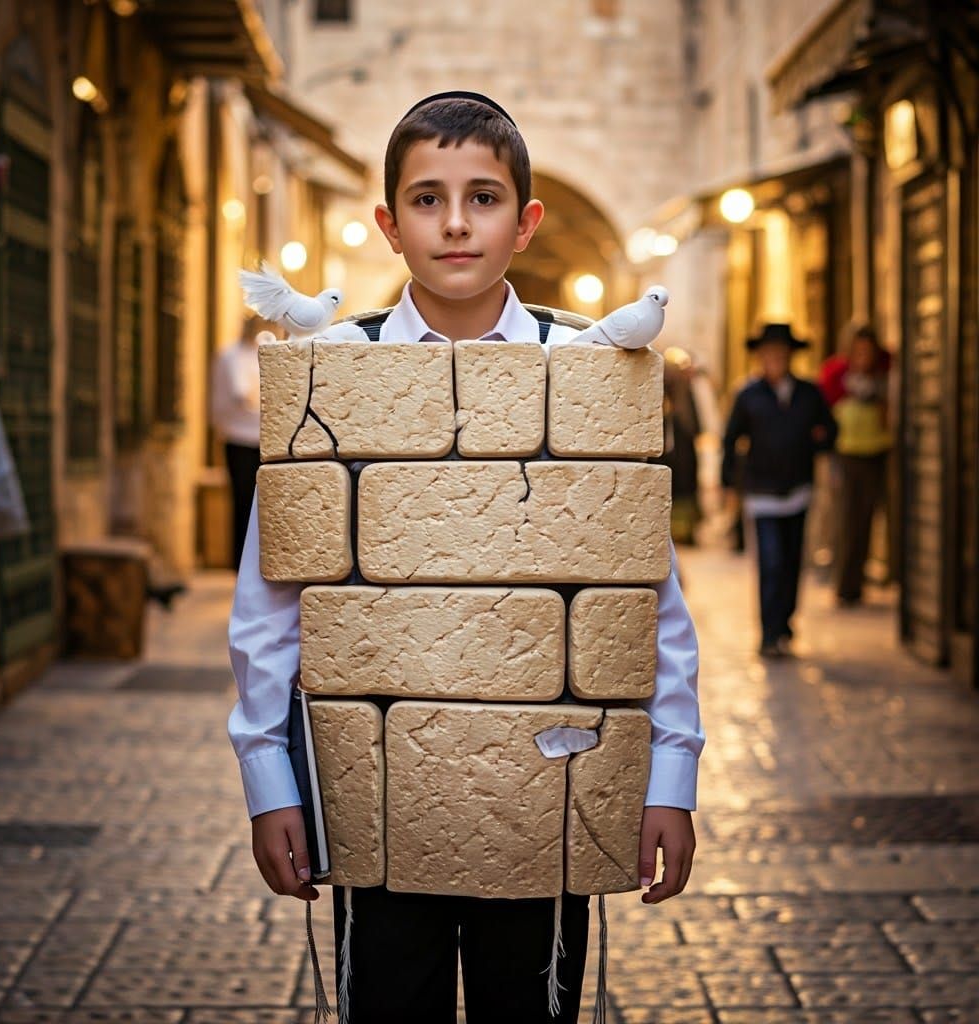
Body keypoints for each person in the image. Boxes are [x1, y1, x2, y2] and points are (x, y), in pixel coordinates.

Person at [226, 92, 704, 1024]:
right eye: (427, 199)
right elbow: (271, 595)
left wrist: (670, 778)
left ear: (526, 221)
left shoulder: (591, 366)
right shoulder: (335, 369)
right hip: (379, 791)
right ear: (389, 225)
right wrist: (268, 779)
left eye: (483, 197)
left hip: (551, 782)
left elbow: (647, 594)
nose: (454, 222)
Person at [722, 323, 837, 658]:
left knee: (791, 563)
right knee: (770, 562)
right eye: (768, 353)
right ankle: (768, 633)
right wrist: (729, 484)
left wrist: (818, 443)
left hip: (798, 490)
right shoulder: (748, 395)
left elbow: (830, 430)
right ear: (760, 357)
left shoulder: (808, 393)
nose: (774, 358)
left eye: (780, 353)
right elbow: (731, 441)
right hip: (762, 494)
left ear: (789, 356)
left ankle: (785, 624)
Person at [818, 325, 892, 606]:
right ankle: (845, 584)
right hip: (846, 455)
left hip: (875, 453)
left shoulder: (882, 376)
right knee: (846, 518)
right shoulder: (837, 374)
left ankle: (857, 581)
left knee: (867, 519)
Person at [211, 314, 276, 570]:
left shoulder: (258, 353)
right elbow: (242, 394)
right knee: (242, 501)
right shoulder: (231, 356)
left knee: (260, 503)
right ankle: (239, 563)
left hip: (261, 438)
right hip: (239, 438)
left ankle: (256, 561)